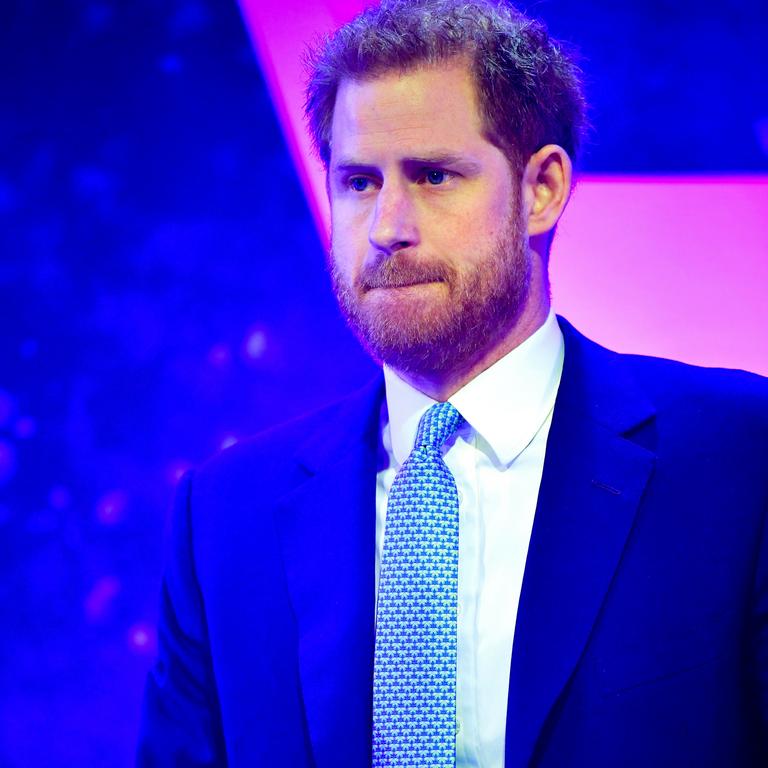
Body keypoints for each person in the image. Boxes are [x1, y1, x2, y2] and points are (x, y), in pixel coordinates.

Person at [137, 0, 768, 765]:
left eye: (434, 176)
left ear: (542, 189)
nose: (386, 227)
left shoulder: (739, 460)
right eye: (359, 182)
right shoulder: (225, 516)